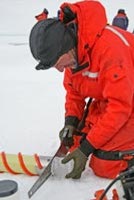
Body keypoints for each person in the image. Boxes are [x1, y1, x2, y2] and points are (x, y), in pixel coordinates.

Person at [29, 0, 134, 179]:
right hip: (112, 98)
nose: (61, 70)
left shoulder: (111, 51)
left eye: (59, 64)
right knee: (76, 143)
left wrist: (87, 149)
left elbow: (120, 108)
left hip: (127, 102)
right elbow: (74, 93)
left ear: (65, 49)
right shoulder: (75, 51)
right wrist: (70, 121)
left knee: (106, 163)